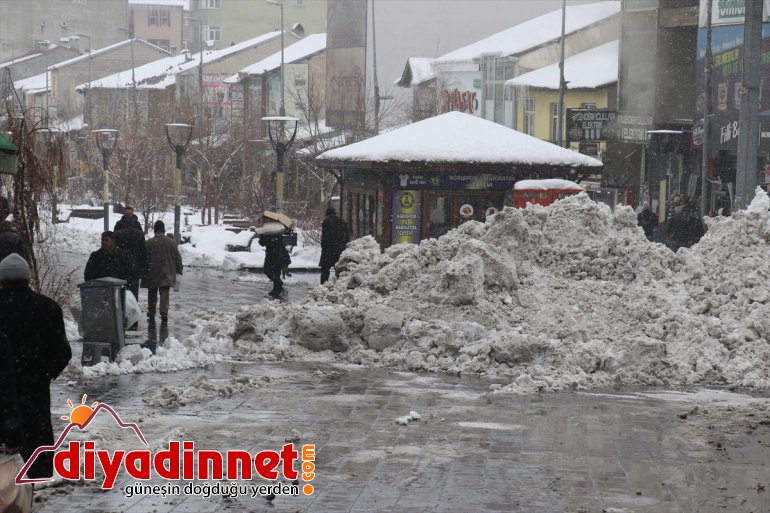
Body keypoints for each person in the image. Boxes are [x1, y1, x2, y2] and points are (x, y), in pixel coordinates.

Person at [0, 253, 71, 479]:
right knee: (36, 450)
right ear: (28, 279)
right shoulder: (47, 308)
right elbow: (63, 353)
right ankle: (35, 486)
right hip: (36, 393)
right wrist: (44, 373)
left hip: (2, 397)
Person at [142, 220, 183, 323]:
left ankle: (151, 311)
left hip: (152, 272)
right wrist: (179, 268)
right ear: (164, 229)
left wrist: (142, 271)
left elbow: (144, 258)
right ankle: (164, 312)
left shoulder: (149, 243)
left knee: (152, 293)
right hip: (166, 272)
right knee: (164, 292)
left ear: (155, 230)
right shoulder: (171, 242)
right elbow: (177, 257)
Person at [113, 206, 147, 302]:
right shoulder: (135, 226)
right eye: (127, 214)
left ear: (132, 213)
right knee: (131, 290)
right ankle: (131, 308)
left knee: (123, 289)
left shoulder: (121, 226)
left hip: (125, 264)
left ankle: (123, 309)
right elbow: (143, 248)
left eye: (129, 213)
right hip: (131, 264)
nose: (128, 215)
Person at [259, 222, 291, 299]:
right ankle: (277, 286)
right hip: (278, 253)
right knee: (275, 271)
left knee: (269, 270)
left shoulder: (272, 229)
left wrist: (263, 236)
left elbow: (262, 242)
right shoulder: (276, 229)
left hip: (274, 253)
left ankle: (277, 288)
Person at [318, 207, 349, 284]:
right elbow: (347, 238)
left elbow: (324, 238)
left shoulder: (326, 223)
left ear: (327, 214)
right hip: (339, 250)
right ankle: (340, 284)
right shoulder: (342, 223)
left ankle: (323, 284)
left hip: (328, 251)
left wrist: (324, 247)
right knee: (339, 268)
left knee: (325, 270)